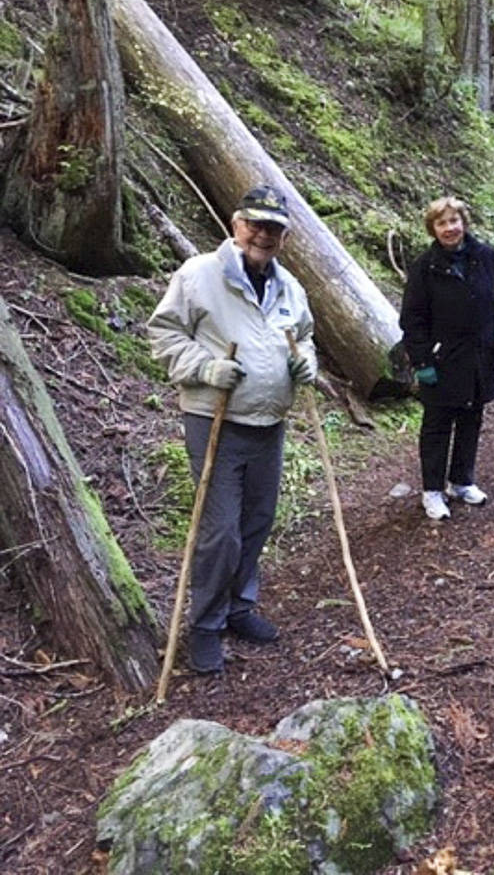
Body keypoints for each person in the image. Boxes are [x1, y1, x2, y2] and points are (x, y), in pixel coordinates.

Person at [147, 184, 316, 673]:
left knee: (257, 521)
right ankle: (204, 626)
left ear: (284, 236)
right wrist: (204, 368)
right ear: (237, 224)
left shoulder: (290, 286)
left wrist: (305, 363)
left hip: (269, 420)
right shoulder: (200, 275)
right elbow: (164, 331)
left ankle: (239, 607)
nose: (263, 235)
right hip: (215, 419)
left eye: (274, 228)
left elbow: (304, 337)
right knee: (220, 531)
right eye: (255, 224)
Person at [399, 196, 494, 521]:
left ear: (464, 222)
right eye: (442, 223)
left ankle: (462, 481)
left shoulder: (486, 257)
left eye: (454, 221)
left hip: (481, 357)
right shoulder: (425, 267)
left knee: (471, 420)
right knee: (437, 426)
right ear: (433, 229)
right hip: (442, 361)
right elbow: (412, 319)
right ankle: (433, 491)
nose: (450, 228)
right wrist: (421, 361)